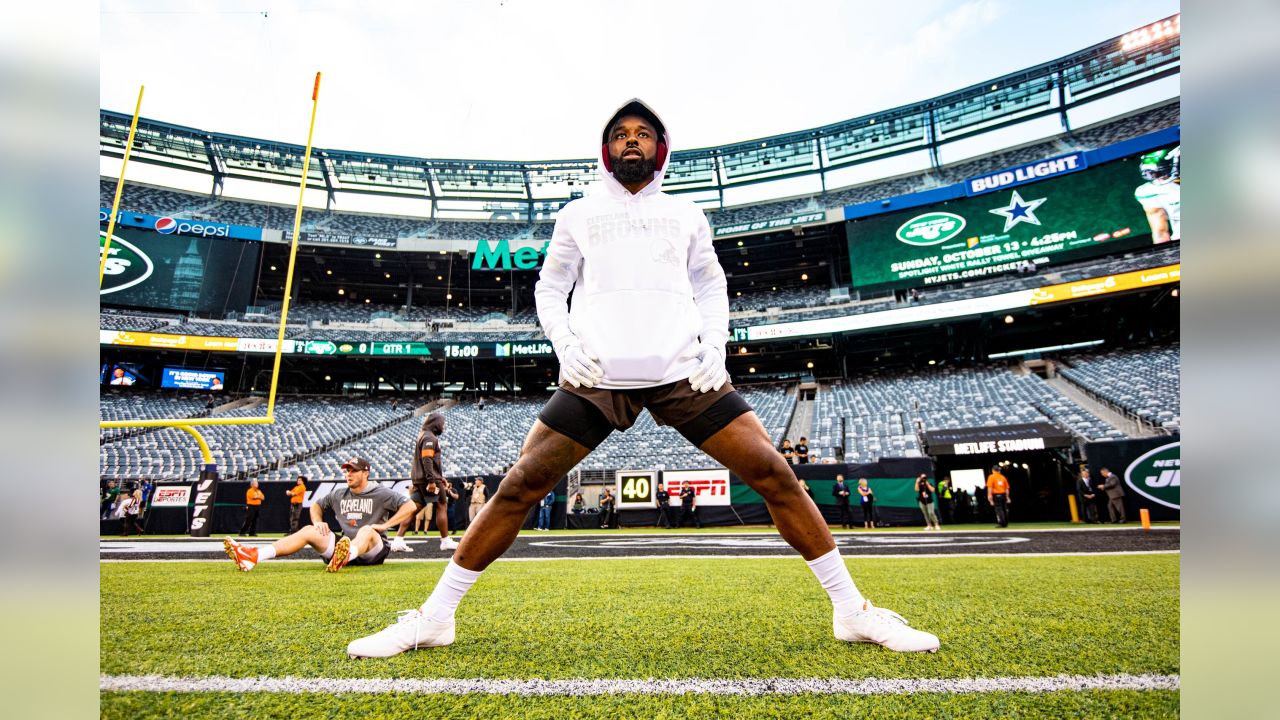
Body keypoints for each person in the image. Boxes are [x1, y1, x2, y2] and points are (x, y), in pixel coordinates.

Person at [345, 99, 938, 659]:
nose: (632, 142)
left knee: (775, 474)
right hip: (598, 372)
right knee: (520, 485)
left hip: (682, 370)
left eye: (643, 134)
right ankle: (436, 616)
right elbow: (549, 288)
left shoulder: (685, 212)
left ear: (661, 147)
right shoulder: (579, 211)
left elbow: (710, 285)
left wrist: (715, 345)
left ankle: (851, 609)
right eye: (621, 135)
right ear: (606, 149)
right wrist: (567, 345)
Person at [223, 457, 415, 573]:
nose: (348, 474)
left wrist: (384, 526)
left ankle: (345, 556)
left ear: (366, 473)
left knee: (367, 530)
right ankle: (254, 556)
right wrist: (317, 522)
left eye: (354, 471)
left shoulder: (381, 492)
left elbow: (410, 506)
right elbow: (316, 505)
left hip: (373, 550)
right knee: (309, 530)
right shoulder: (339, 493)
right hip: (344, 546)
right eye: (347, 471)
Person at [391, 413, 458, 553]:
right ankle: (445, 541)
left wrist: (440, 476)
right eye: (442, 424)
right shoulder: (429, 437)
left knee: (413, 508)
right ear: (436, 423)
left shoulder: (422, 435)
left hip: (420, 479)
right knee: (441, 505)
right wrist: (432, 480)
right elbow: (427, 459)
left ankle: (398, 540)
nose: (443, 427)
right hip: (428, 480)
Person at [1135, 146, 1180, 244]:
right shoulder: (1150, 192)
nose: (1158, 180)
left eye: (1163, 172)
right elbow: (1160, 232)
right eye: (1153, 174)